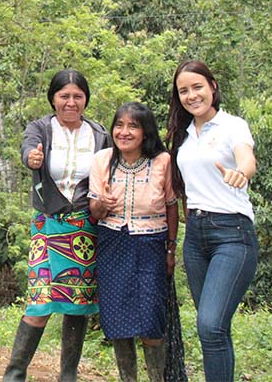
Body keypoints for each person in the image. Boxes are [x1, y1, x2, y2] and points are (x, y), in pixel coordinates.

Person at [3, 69, 110, 382]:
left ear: (86, 99)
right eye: (64, 96)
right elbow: (28, 150)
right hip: (48, 224)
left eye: (78, 96)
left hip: (84, 228)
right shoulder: (40, 128)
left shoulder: (99, 134)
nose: (71, 102)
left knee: (77, 304)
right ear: (53, 98)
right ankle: (14, 375)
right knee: (39, 302)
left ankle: (68, 376)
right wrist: (32, 159)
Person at [166, 60, 258, 382]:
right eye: (184, 91)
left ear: (213, 86)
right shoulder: (184, 136)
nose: (191, 96)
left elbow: (247, 159)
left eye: (197, 87)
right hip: (195, 237)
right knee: (214, 330)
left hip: (232, 234)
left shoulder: (232, 126)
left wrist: (240, 172)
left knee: (210, 324)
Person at [88, 102, 178, 382]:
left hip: (151, 245)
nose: (124, 132)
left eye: (133, 126)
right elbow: (94, 212)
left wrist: (171, 248)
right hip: (112, 244)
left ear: (145, 132)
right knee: (118, 320)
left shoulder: (163, 161)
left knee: (152, 320)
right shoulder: (102, 160)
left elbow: (172, 205)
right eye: (119, 125)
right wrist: (103, 203)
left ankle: (157, 378)